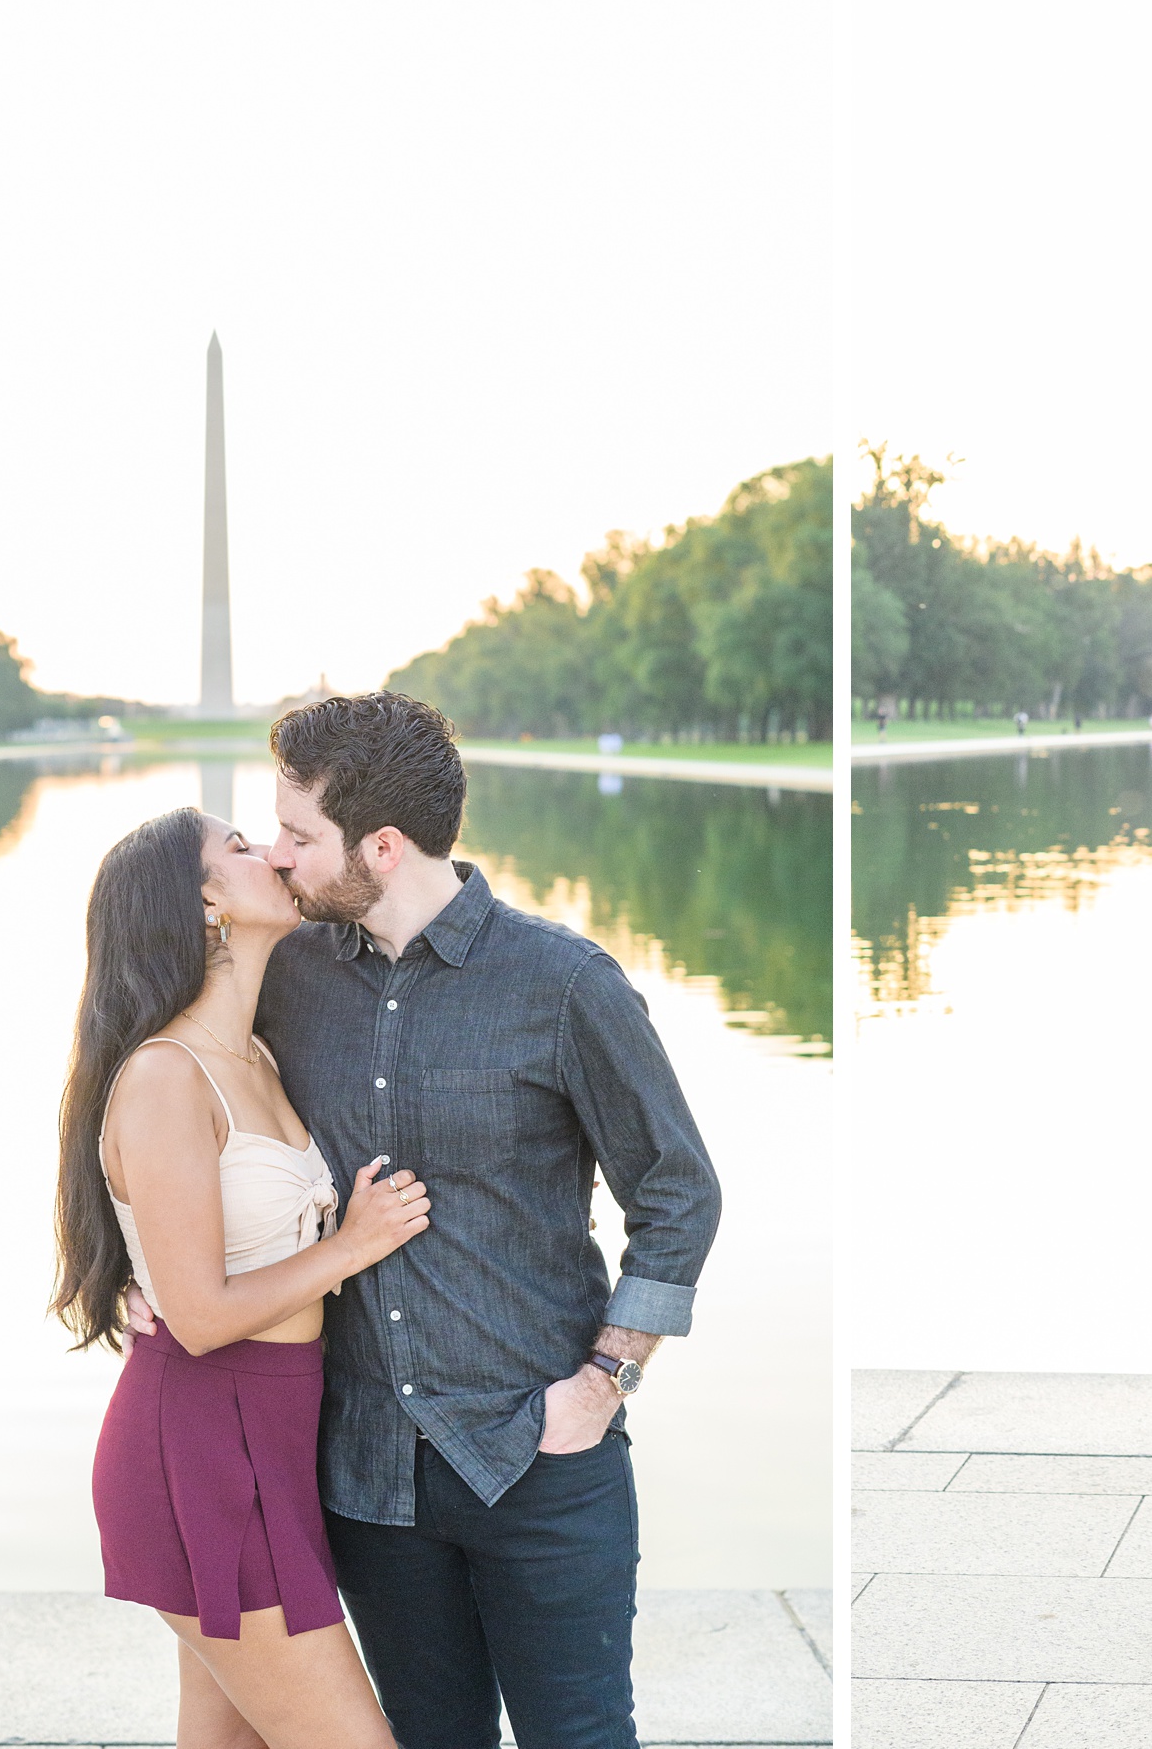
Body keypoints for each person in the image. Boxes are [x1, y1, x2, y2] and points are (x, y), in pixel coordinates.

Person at [131, 692, 722, 1749]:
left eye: (301, 836)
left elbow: (678, 1190)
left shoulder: (564, 982)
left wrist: (608, 1379)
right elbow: (166, 1095)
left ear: (385, 846)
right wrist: (139, 1264)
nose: (280, 853)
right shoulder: (289, 977)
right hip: (366, 1474)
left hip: (539, 1458)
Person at [53, 807, 432, 1747]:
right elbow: (201, 1317)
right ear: (207, 903)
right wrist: (352, 1244)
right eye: (239, 846)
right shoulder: (165, 1076)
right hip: (199, 1445)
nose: (269, 852)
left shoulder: (253, 1052)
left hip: (275, 1439)